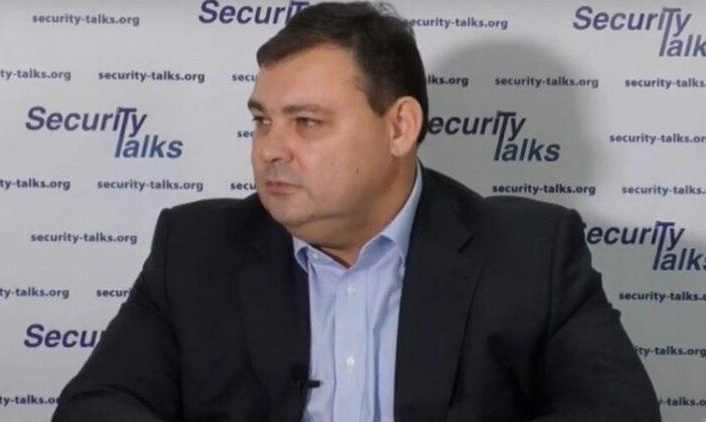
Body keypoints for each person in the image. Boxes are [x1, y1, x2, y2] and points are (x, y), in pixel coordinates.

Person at [52, 2, 661, 421]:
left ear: (399, 127)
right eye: (262, 121)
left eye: (306, 122)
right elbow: (97, 405)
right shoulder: (195, 247)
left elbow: (617, 412)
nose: (270, 150)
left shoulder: (531, 253)